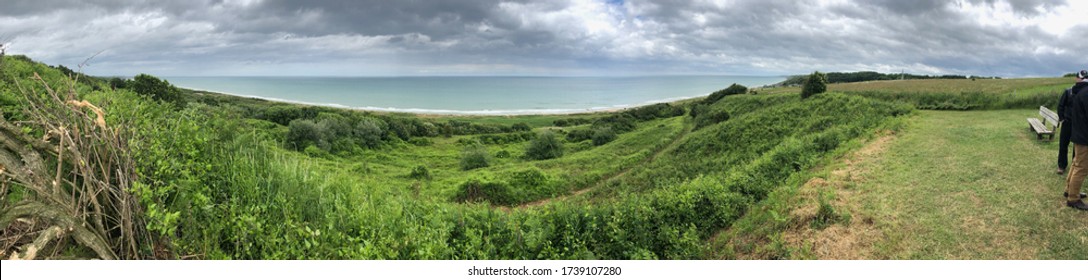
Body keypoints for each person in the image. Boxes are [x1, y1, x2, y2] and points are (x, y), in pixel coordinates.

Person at [1063, 69, 1088, 211]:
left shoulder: (1079, 92)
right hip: (1085, 136)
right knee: (1082, 167)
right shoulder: (1087, 93)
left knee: (1076, 163)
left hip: (1079, 133)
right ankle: (1073, 198)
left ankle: (1069, 190)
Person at [1057, 79, 1077, 174]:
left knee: (1077, 146)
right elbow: (1060, 105)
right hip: (1067, 122)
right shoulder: (1068, 91)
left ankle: (1075, 167)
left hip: (1079, 124)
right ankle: (1061, 165)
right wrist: (1062, 118)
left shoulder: (1084, 93)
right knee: (1063, 144)